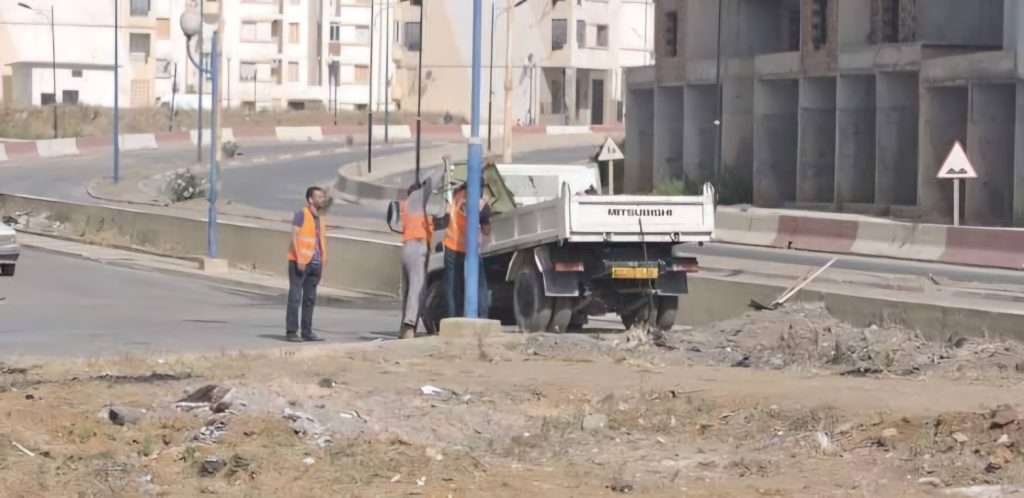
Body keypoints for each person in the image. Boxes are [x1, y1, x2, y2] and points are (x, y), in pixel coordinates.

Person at [286, 186, 328, 343]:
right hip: (300, 262)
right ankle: (291, 332)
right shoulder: (301, 214)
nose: (322, 200)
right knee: (295, 297)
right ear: (310, 199)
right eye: (319, 197)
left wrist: (322, 261)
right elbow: (294, 236)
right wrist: (299, 258)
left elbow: (319, 241)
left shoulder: (320, 218)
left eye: (323, 197)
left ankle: (307, 331)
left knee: (310, 298)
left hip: (316, 263)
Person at [444, 179, 491, 320]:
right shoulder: (481, 205)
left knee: (453, 288)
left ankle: (453, 318)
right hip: (469, 250)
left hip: (451, 245)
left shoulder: (457, 195)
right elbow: (486, 230)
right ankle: (482, 316)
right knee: (479, 284)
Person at [399, 178, 433, 339]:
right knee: (416, 288)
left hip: (407, 247)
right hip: (418, 247)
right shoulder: (418, 203)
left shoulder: (406, 206)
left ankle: (408, 326)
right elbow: (431, 185)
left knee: (411, 290)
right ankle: (409, 325)